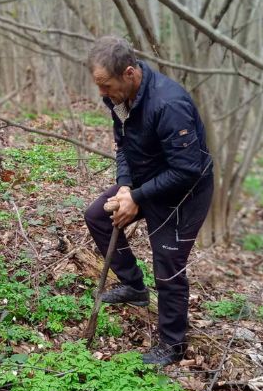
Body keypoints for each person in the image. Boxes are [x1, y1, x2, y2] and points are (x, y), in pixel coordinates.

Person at [82, 35, 214, 366]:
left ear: (129, 73)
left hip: (184, 193)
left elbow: (187, 170)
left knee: (167, 265)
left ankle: (173, 344)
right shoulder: (120, 98)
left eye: (106, 85)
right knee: (97, 215)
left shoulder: (168, 105)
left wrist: (137, 197)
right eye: (99, 85)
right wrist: (125, 187)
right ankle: (134, 286)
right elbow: (123, 145)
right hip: (147, 180)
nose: (102, 93)